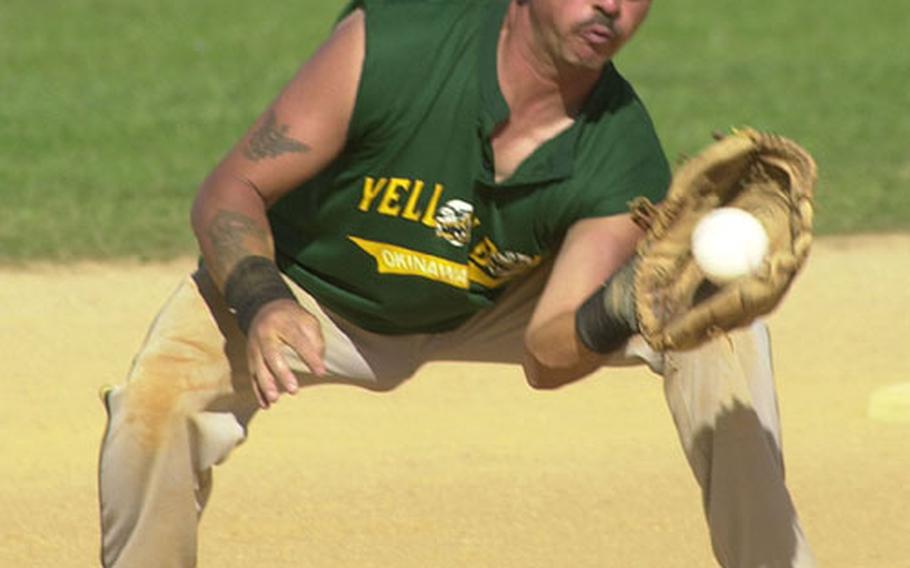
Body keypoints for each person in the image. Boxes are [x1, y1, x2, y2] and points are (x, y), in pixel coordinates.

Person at [98, 0, 816, 566]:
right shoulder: (393, 42)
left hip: (492, 299)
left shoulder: (621, 154)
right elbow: (229, 190)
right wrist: (261, 300)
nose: (610, 7)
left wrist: (624, 306)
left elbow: (547, 355)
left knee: (718, 324)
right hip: (305, 286)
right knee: (155, 405)